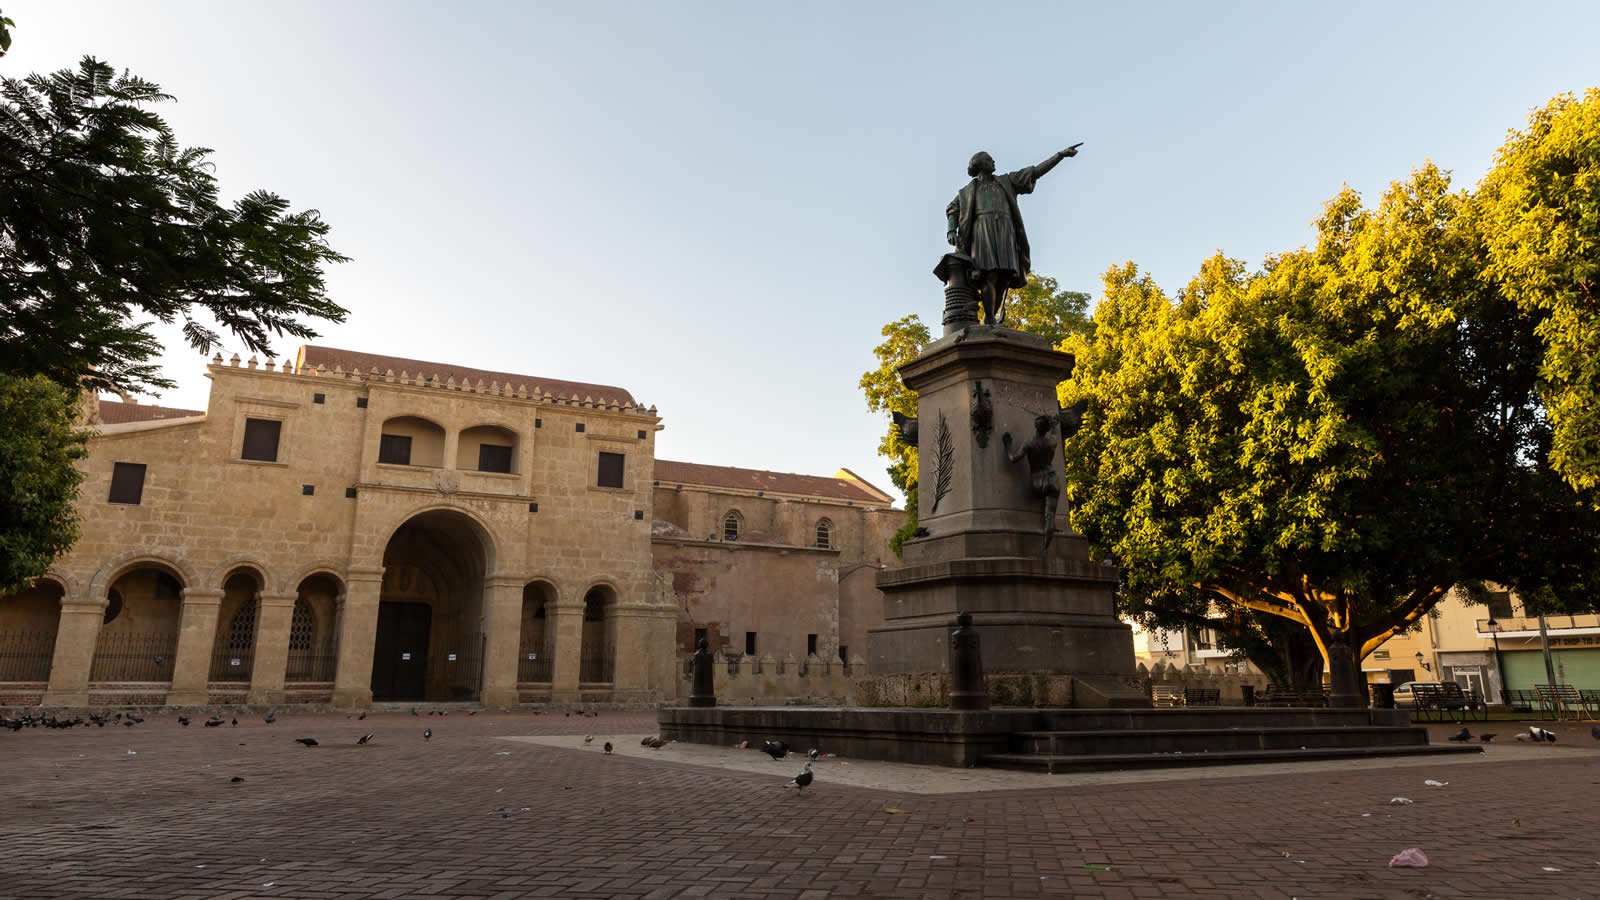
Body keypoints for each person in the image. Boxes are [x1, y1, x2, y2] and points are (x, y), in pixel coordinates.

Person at [946, 145, 1080, 325]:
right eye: (988, 159)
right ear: (979, 165)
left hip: (1005, 230)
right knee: (990, 275)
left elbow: (1034, 172)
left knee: (1005, 276)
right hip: (982, 232)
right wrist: (951, 230)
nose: (993, 161)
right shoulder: (967, 192)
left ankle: (989, 316)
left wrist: (1060, 156)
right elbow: (952, 210)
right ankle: (991, 318)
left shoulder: (1006, 181)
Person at [1002, 415, 1061, 552]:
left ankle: (1048, 537)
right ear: (1046, 429)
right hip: (1052, 480)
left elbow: (1013, 458)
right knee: (1050, 515)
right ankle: (1046, 548)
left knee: (1049, 512)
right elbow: (1054, 433)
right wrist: (1054, 425)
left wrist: (1008, 445)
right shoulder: (1051, 442)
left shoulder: (1028, 443)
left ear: (1035, 426)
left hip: (1037, 482)